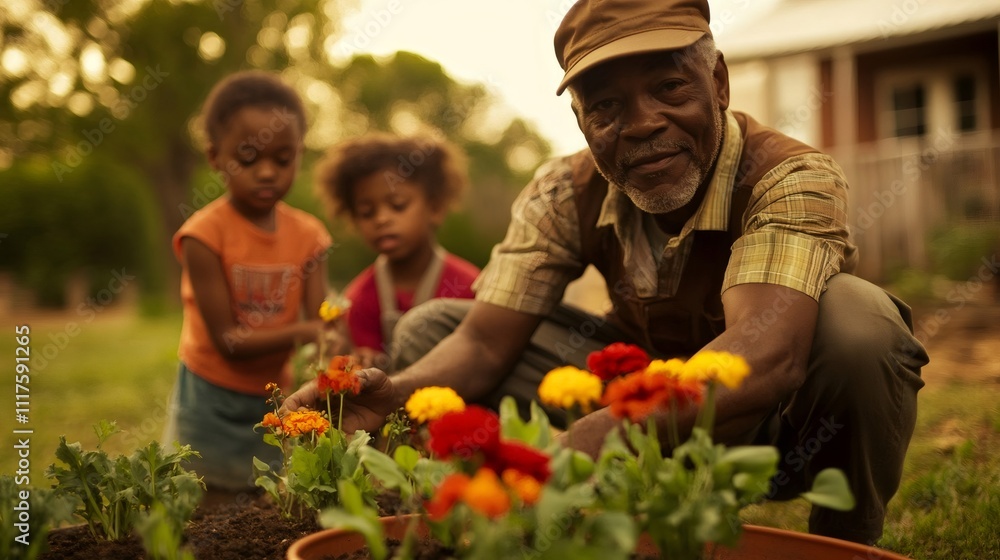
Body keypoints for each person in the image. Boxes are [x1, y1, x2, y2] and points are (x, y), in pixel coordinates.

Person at [282, 0, 928, 544]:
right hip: (637, 410)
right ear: (581, 120)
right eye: (608, 107)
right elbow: (482, 342)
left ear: (720, 83)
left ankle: (837, 546)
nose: (643, 124)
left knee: (860, 325)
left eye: (670, 88)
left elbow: (767, 351)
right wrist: (396, 393)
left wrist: (607, 428)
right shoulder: (564, 190)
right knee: (433, 331)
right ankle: (506, 531)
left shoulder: (789, 176)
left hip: (772, 427)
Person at [163, 70, 335, 503]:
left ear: (299, 154)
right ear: (215, 157)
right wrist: (306, 333)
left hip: (273, 397)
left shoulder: (310, 236)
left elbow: (324, 322)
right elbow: (229, 342)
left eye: (282, 159)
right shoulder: (204, 236)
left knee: (262, 507)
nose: (266, 172)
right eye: (248, 156)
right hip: (209, 395)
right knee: (202, 500)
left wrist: (337, 348)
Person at [313, 133, 480, 370]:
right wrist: (362, 359)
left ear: (435, 207)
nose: (381, 219)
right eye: (367, 212)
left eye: (398, 205)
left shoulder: (469, 285)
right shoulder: (359, 299)